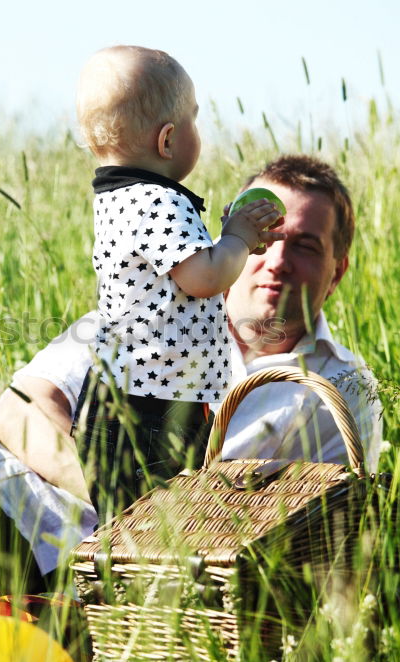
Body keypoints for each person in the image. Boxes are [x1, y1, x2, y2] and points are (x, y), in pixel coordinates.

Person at [0, 153, 383, 576]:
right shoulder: (146, 306)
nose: (277, 260)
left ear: (337, 272)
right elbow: (18, 412)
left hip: (135, 586)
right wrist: (134, 513)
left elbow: (332, 532)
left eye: (306, 246)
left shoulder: (343, 387)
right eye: (265, 235)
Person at [73, 45, 285, 510]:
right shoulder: (157, 201)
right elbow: (204, 278)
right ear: (168, 140)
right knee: (160, 533)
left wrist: (232, 239)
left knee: (136, 530)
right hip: (150, 411)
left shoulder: (123, 197)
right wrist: (237, 242)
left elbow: (188, 272)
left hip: (128, 401)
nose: (198, 131)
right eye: (194, 118)